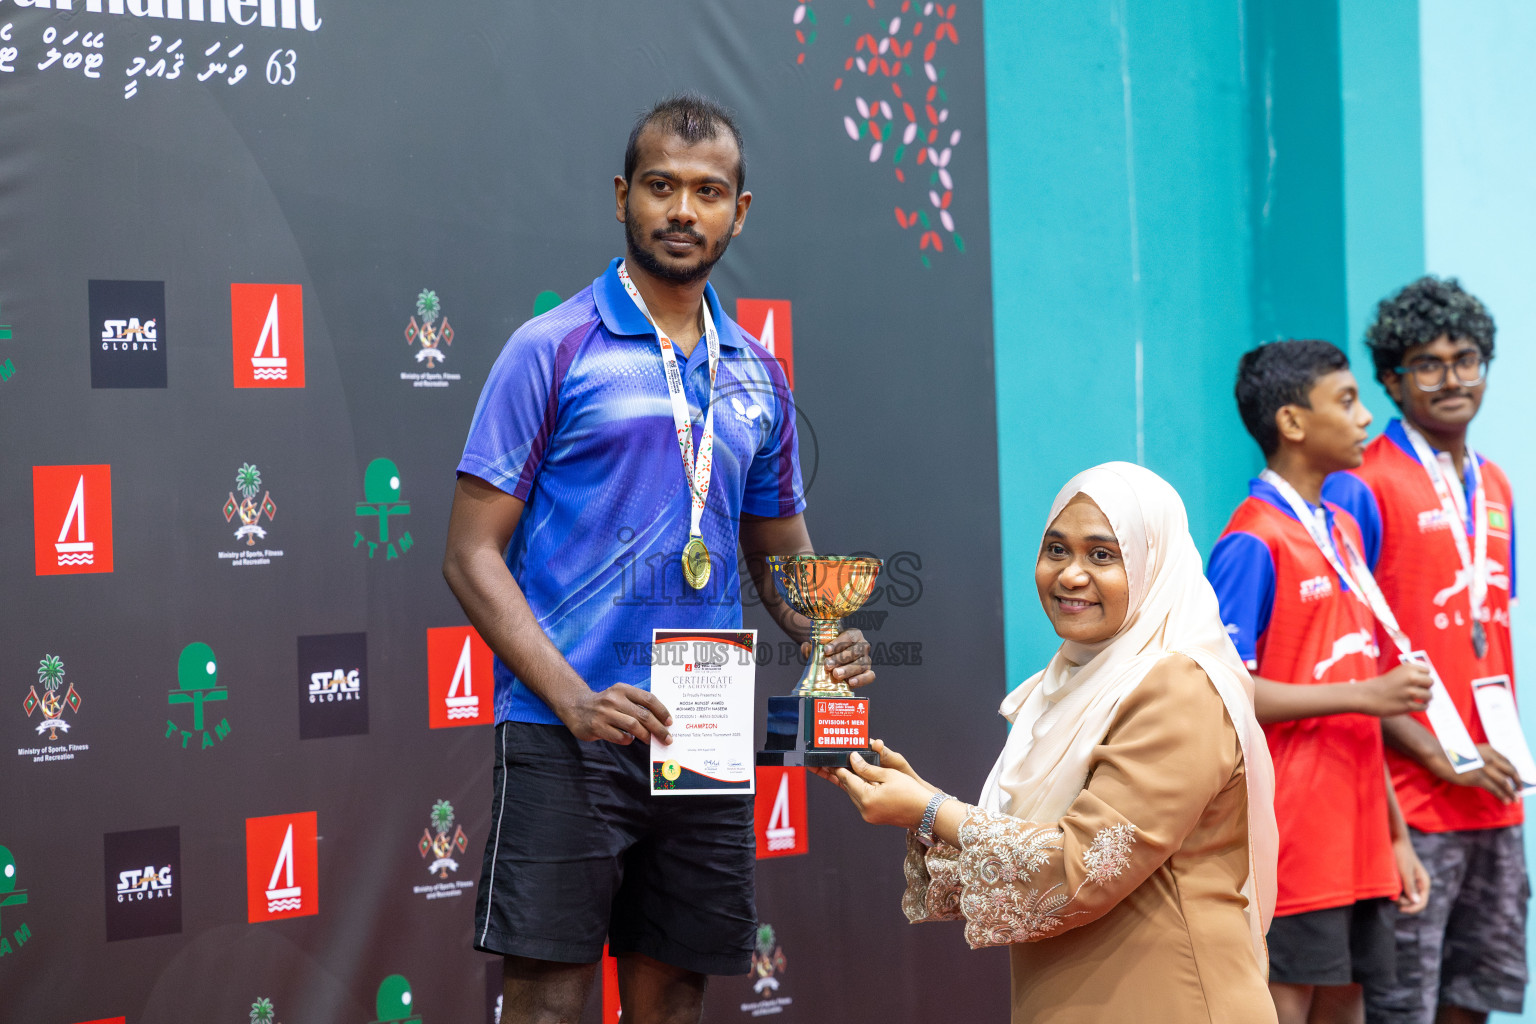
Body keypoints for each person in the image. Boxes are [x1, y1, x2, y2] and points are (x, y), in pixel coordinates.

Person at [442, 94, 873, 1024]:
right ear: (622, 197)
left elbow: (778, 550)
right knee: (550, 1003)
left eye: (708, 191)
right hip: (567, 730)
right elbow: (471, 554)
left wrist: (825, 631)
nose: (684, 211)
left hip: (700, 734)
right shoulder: (551, 349)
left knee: (672, 1001)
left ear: (739, 211)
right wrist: (572, 698)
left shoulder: (757, 371)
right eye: (662, 187)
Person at [816, 462, 1279, 1024]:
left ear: (1152, 563)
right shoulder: (1075, 680)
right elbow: (1027, 854)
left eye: (1102, 555)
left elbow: (1084, 869)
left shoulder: (1178, 687)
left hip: (1169, 996)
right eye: (1056, 550)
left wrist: (934, 811)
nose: (1071, 575)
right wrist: (917, 805)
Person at [1207, 339, 1432, 1024]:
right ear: (1292, 423)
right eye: (1347, 401)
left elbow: (1359, 673)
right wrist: (1370, 696)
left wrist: (1396, 833)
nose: (1366, 416)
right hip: (1294, 835)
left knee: (1348, 1003)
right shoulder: (1251, 540)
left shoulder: (1340, 526)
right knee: (1286, 1004)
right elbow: (1224, 692)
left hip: (1362, 830)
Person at [1322, 277, 1526, 1024]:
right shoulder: (1360, 485)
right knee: (1398, 1007)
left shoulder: (1497, 485)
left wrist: (1481, 755)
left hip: (1495, 802)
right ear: (1390, 378)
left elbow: (1484, 632)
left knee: (1478, 998)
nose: (1452, 379)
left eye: (1466, 359)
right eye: (1428, 364)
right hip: (1410, 807)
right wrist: (1440, 756)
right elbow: (1344, 658)